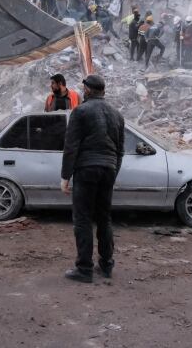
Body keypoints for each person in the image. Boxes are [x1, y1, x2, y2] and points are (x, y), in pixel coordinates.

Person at [61, 74, 124, 283]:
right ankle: (106, 265)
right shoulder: (117, 114)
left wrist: (65, 176)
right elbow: (120, 151)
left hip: (87, 169)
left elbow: (71, 146)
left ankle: (84, 269)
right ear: (103, 91)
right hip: (108, 169)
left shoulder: (80, 111)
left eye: (83, 88)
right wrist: (113, 172)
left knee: (83, 219)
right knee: (104, 218)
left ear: (87, 90)